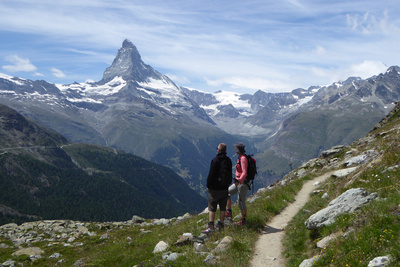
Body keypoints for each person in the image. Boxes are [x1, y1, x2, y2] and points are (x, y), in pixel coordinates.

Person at [202, 143, 232, 234]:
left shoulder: (215, 160)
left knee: (212, 207)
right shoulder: (228, 160)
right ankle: (221, 226)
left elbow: (211, 174)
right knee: (223, 208)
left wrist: (208, 185)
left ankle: (211, 227)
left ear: (218, 150)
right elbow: (230, 174)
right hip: (224, 188)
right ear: (225, 151)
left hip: (215, 189)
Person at [225, 142, 249, 225]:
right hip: (238, 182)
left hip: (243, 183)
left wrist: (239, 181)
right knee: (227, 192)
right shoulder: (241, 158)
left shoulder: (243, 159)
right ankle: (229, 211)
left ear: (238, 151)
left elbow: (245, 172)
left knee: (240, 202)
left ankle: (244, 220)